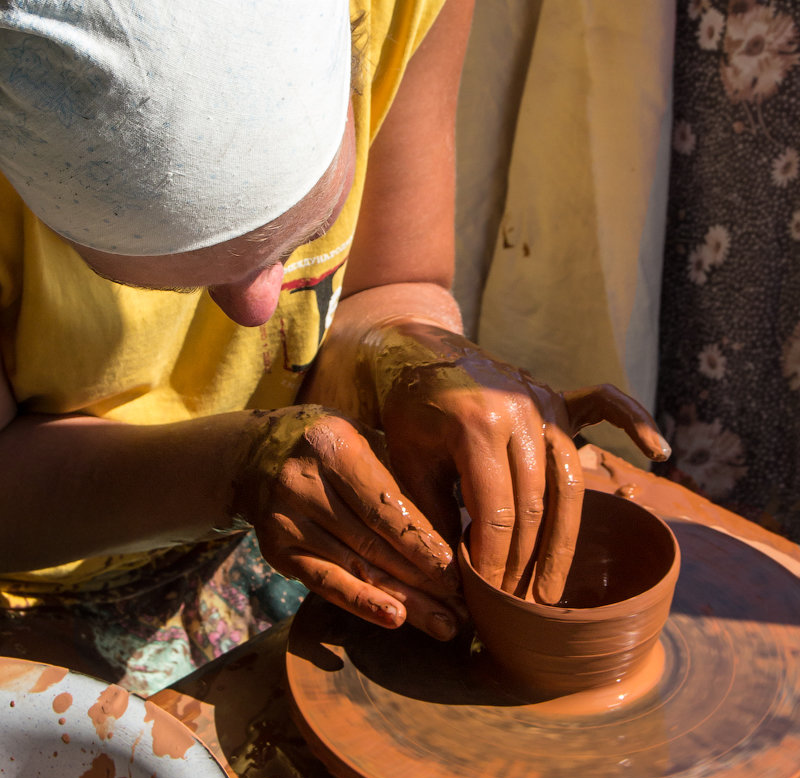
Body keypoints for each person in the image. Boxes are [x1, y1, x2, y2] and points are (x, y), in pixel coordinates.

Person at [0, 0, 669, 695]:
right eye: (182, 279)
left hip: (250, 534)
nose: (258, 312)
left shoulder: (395, 10)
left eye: (296, 241)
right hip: (36, 561)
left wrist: (412, 353)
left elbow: (393, 282)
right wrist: (233, 472)